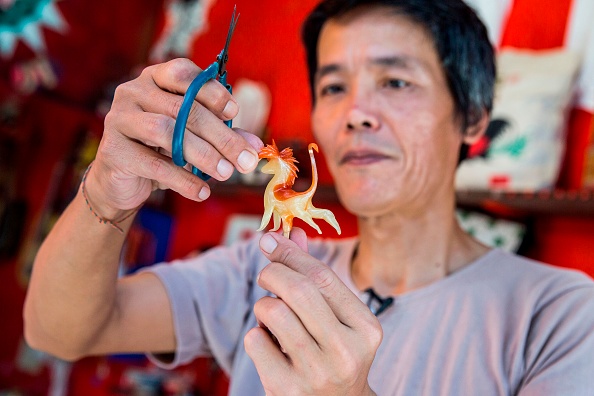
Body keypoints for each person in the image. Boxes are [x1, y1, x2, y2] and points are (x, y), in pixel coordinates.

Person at [24, 0, 594, 394]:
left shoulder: (563, 316)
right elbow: (59, 330)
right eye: (333, 86)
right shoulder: (263, 267)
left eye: (395, 82)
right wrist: (107, 192)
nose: (355, 113)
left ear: (472, 118)